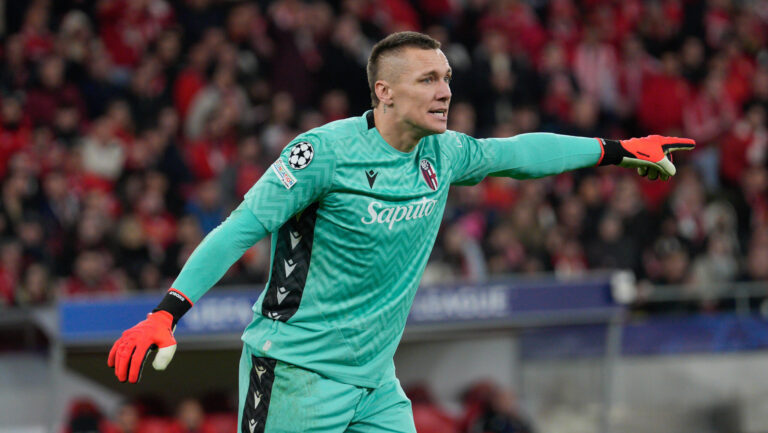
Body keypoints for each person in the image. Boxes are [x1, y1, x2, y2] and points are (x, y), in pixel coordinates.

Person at [107, 31, 694, 433]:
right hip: (295, 374)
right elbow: (239, 230)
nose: (444, 91)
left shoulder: (443, 153)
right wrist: (167, 313)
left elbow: (518, 152)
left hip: (375, 382)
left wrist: (615, 151)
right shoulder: (321, 155)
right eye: (427, 79)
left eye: (446, 77)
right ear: (384, 92)